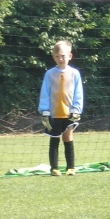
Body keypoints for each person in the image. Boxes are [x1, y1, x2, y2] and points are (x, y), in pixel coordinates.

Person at [38, 40, 84, 176]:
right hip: (53, 113)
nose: (60, 58)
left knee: (68, 137)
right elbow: (45, 92)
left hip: (69, 113)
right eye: (57, 56)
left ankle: (71, 168)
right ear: (54, 57)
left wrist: (76, 109)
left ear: (70, 56)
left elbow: (78, 93)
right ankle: (54, 168)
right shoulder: (49, 74)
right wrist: (44, 110)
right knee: (54, 138)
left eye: (63, 56)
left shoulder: (75, 73)